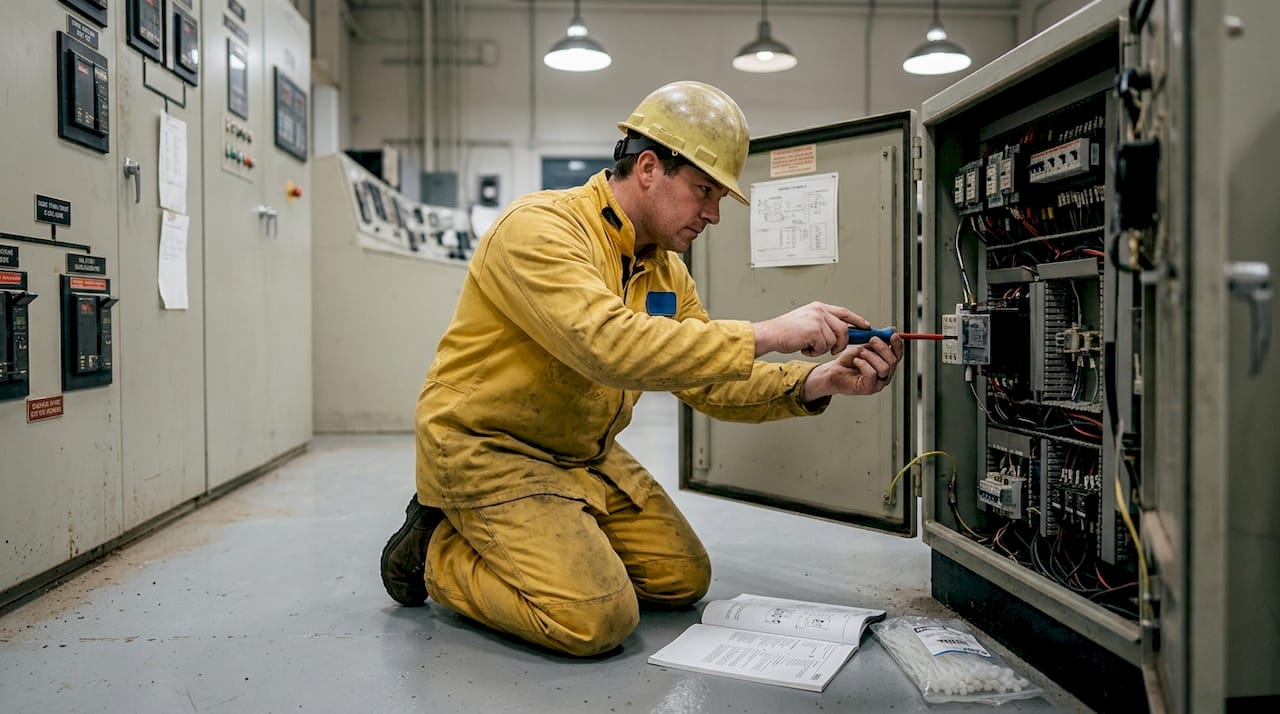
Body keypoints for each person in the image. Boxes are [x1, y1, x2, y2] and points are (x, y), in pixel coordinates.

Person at [380, 80, 903, 657]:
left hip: (583, 452)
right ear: (649, 167)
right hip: (490, 449)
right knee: (594, 621)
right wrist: (771, 332)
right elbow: (607, 345)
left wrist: (819, 379)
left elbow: (704, 379)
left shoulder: (665, 271)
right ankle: (436, 549)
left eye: (720, 198)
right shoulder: (540, 230)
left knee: (682, 579)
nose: (713, 215)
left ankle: (550, 528)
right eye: (705, 190)